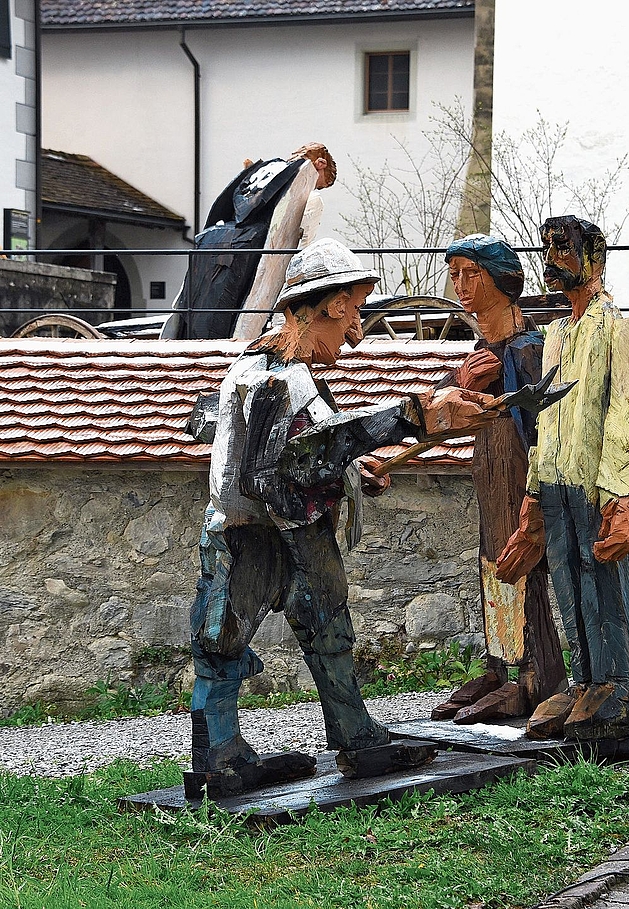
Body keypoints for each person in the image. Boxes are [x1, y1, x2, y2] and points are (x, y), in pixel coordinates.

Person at [188, 238, 504, 792]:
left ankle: (223, 752)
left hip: (233, 526)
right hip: (277, 529)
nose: (354, 330)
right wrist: (416, 416)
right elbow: (299, 452)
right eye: (354, 310)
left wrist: (352, 470)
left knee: (226, 638)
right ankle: (349, 738)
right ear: (332, 307)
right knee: (318, 624)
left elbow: (221, 429)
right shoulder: (287, 378)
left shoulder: (247, 367)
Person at [497, 216, 629, 741]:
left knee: (601, 577)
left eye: (563, 247)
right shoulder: (557, 335)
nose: (552, 257)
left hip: (596, 485)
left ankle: (618, 685)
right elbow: (546, 416)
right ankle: (583, 678)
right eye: (547, 248)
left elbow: (626, 412)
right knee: (565, 577)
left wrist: (624, 496)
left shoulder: (619, 329)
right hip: (557, 483)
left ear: (595, 256)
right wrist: (533, 495)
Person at [431, 235, 567, 724]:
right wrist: (461, 386)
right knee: (491, 562)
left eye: (473, 273)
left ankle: (537, 675)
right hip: (489, 476)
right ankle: (500, 667)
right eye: (456, 275)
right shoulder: (477, 352)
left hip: (524, 478)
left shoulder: (530, 348)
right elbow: (432, 410)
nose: (462, 285)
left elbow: (545, 419)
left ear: (501, 279)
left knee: (520, 564)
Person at [164, 143, 337, 340]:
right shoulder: (306, 191)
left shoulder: (267, 170)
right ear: (320, 164)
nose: (316, 188)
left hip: (214, 239)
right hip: (249, 248)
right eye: (320, 184)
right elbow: (302, 245)